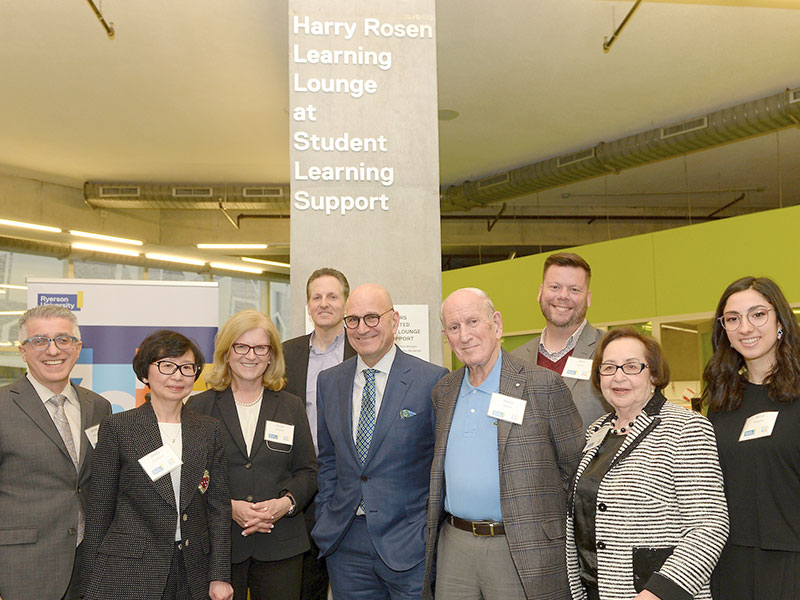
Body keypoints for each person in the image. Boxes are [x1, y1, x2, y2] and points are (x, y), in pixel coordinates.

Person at [422, 288, 584, 600]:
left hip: (520, 546)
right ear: (446, 336)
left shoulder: (543, 385)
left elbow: (574, 472)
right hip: (455, 546)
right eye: (454, 328)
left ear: (496, 324)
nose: (465, 335)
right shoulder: (443, 391)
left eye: (473, 322)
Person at [567, 327, 728, 600]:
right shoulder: (598, 431)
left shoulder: (686, 428)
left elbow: (709, 526)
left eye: (632, 366)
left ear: (653, 374)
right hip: (596, 589)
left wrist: (656, 593)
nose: (619, 376)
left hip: (655, 593)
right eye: (609, 367)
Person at [313, 283, 448, 599]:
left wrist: (426, 532)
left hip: (409, 544)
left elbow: (440, 466)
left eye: (372, 317)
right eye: (354, 320)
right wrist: (326, 517)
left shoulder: (431, 379)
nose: (362, 328)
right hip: (345, 543)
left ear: (394, 320)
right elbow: (328, 460)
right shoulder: (329, 382)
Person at [82, 330, 233, 600]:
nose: (177, 376)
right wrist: (91, 579)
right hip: (129, 569)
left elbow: (219, 508)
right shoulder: (118, 428)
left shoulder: (208, 430)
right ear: (145, 374)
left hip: (192, 569)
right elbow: (100, 508)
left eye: (187, 367)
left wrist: (220, 575)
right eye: (166, 365)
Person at [189, 310, 317, 600]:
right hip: (220, 548)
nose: (251, 355)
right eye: (241, 346)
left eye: (261, 347)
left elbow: (308, 471)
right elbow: (191, 476)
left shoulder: (290, 406)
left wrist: (285, 504)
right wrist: (229, 506)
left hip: (281, 544)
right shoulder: (200, 407)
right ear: (226, 352)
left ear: (271, 355)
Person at [0, 305, 111, 600]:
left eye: (63, 339)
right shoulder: (1, 406)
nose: (53, 350)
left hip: (88, 565)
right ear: (23, 351)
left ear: (77, 348)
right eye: (40, 340)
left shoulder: (99, 407)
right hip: (20, 568)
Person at [703, 276, 800, 600]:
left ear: (780, 320)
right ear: (724, 331)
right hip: (730, 561)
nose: (746, 327)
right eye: (733, 319)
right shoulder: (722, 400)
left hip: (791, 559)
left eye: (758, 314)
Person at [282, 268, 355, 600]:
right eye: (317, 297)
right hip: (301, 484)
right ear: (308, 305)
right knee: (304, 582)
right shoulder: (284, 355)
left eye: (332, 296)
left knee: (350, 580)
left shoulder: (363, 350)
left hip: (350, 484)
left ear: (346, 302)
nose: (324, 303)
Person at [512, 252, 610, 425]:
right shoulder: (514, 361)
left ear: (588, 299)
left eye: (574, 289)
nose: (563, 296)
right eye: (555, 287)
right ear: (541, 292)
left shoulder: (610, 352)